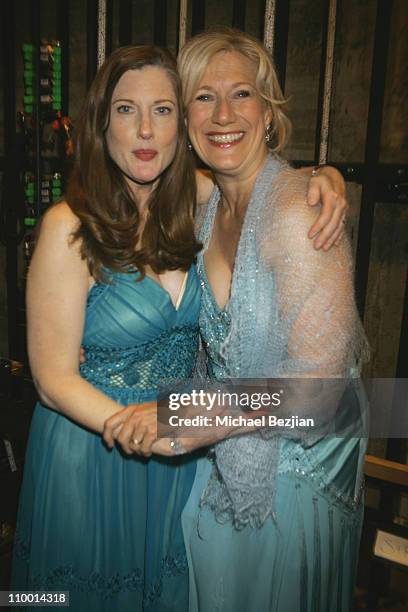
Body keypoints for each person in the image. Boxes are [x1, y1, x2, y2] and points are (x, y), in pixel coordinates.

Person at [12, 43, 348, 612]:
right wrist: (146, 428)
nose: (145, 130)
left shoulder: (192, 200)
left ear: (180, 128)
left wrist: (325, 175)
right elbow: (50, 379)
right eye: (125, 109)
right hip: (96, 452)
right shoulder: (67, 226)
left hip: (182, 460)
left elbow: (262, 177)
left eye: (162, 110)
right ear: (101, 122)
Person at [103, 30, 369, 612]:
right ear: (186, 120)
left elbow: (320, 395)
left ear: (269, 113)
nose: (223, 114)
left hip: (299, 471)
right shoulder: (203, 207)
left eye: (242, 94)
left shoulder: (299, 212)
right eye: (202, 97)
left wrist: (191, 411)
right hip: (225, 454)